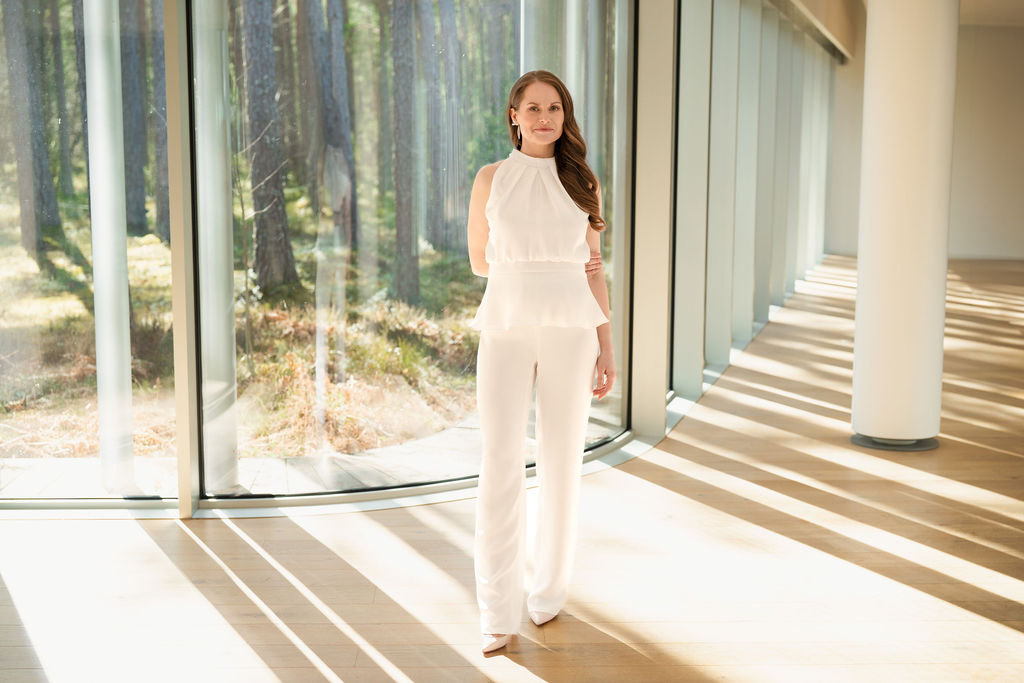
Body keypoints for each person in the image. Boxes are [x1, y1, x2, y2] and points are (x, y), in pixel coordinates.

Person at [466, 70, 617, 654]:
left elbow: (594, 267)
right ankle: (496, 611)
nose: (545, 116)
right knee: (499, 459)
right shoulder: (491, 179)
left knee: (560, 462)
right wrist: (526, 273)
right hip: (505, 326)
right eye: (533, 107)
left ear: (564, 115)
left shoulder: (583, 182)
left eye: (554, 107)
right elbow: (480, 261)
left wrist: (606, 346)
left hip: (573, 331)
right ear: (514, 115)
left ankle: (546, 594)